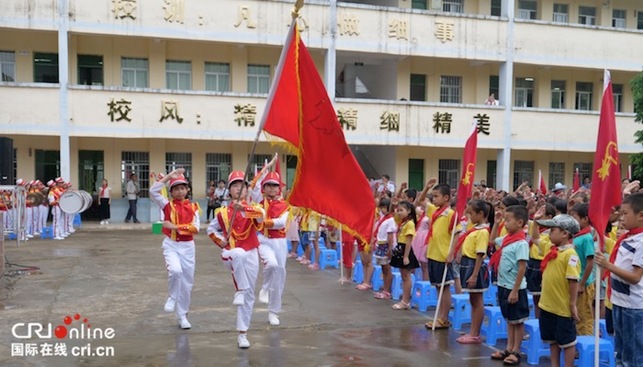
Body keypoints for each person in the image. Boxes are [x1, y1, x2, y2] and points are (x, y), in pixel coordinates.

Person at [207, 170, 264, 349]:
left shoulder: (253, 209)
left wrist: (245, 209)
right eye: (235, 186)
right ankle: (240, 289)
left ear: (247, 190)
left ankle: (242, 333)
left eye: (242, 185)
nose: (239, 189)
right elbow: (210, 230)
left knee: (249, 295)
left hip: (251, 253)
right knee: (238, 254)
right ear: (230, 190)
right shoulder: (222, 212)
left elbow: (262, 218)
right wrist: (220, 241)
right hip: (230, 254)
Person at [595, 193, 643, 367]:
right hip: (618, 301)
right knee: (620, 352)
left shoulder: (641, 241)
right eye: (620, 214)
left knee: (634, 356)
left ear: (641, 215)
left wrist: (608, 265)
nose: (621, 218)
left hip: (634, 307)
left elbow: (636, 277)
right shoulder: (626, 238)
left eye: (625, 214)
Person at [150, 168, 200, 330]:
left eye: (182, 188)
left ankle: (182, 315)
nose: (180, 191)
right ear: (171, 191)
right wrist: (169, 177)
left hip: (188, 247)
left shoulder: (193, 207)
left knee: (187, 283)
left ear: (187, 190)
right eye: (176, 188)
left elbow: (196, 228)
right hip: (171, 244)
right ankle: (172, 296)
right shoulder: (166, 204)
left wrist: (175, 226)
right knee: (176, 271)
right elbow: (153, 190)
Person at [536, 214, 582, 367]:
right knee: (552, 339)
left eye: (553, 230)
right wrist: (535, 220)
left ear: (565, 234)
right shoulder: (551, 248)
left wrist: (573, 304)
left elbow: (573, 281)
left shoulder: (570, 254)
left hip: (562, 307)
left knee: (567, 341)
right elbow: (535, 238)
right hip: (548, 304)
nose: (549, 233)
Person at [489, 205, 530, 366]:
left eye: (508, 220)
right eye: (504, 220)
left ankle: (516, 351)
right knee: (509, 319)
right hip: (503, 285)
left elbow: (522, 268)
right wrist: (496, 223)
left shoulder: (521, 243)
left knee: (517, 321)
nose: (505, 223)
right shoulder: (507, 239)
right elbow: (492, 241)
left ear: (519, 222)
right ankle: (508, 347)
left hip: (515, 288)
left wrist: (514, 291)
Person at [251, 164, 289, 327]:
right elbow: (253, 186)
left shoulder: (286, 206)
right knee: (271, 264)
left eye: (275, 185)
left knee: (279, 276)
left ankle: (273, 312)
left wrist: (261, 222)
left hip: (279, 242)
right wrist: (263, 170)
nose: (272, 188)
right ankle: (265, 288)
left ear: (279, 188)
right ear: (264, 188)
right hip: (263, 240)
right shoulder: (259, 201)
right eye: (269, 185)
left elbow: (281, 223)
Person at [454, 199, 492, 344]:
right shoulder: (475, 228)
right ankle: (473, 331)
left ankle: (475, 333)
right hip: (467, 263)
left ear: (481, 214)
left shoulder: (482, 231)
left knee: (477, 300)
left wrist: (475, 274)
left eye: (472, 214)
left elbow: (480, 254)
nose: (469, 216)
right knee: (473, 300)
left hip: (474, 266)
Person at [424, 183, 459, 329]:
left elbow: (456, 233)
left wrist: (451, 253)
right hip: (433, 253)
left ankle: (443, 318)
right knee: (438, 287)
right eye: (433, 196)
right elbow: (421, 201)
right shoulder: (435, 211)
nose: (433, 198)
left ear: (446, 198)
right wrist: (426, 188)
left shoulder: (451, 214)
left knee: (444, 288)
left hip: (443, 255)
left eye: (436, 196)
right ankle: (440, 316)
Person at [568, 203, 595, 336]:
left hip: (582, 283)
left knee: (583, 315)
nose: (573, 221)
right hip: (574, 280)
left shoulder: (587, 238)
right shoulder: (576, 236)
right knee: (575, 313)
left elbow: (590, 262)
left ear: (585, 219)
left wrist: (582, 283)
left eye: (575, 217)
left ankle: (586, 342)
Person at [528, 203, 556, 318]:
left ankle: (542, 320)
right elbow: (534, 238)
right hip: (533, 263)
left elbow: (537, 240)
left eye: (542, 215)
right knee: (536, 297)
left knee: (544, 297)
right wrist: (535, 221)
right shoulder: (537, 228)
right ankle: (537, 320)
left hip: (543, 264)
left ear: (549, 217)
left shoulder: (553, 232)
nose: (539, 217)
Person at [390, 200, 419, 310]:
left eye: (402, 210)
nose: (399, 212)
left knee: (406, 277)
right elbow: (394, 216)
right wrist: (394, 207)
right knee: (403, 276)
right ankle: (404, 300)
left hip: (405, 250)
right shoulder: (403, 222)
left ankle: (405, 301)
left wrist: (406, 256)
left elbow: (409, 241)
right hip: (400, 248)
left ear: (409, 211)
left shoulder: (410, 223)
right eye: (398, 210)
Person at [372, 198, 397, 300]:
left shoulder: (390, 220)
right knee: (384, 269)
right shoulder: (383, 218)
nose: (382, 210)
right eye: (381, 207)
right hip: (381, 244)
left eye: (385, 208)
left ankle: (387, 291)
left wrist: (390, 249)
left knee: (387, 269)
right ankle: (385, 289)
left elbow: (390, 236)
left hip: (386, 245)